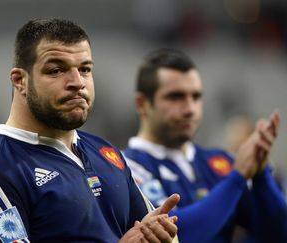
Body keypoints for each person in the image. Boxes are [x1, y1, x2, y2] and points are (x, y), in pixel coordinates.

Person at [0, 18, 180, 243]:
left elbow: (159, 235)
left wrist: (163, 237)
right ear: (20, 80)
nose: (77, 82)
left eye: (85, 69)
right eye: (56, 70)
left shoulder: (105, 151)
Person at [122, 48, 287, 243]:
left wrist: (260, 175)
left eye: (196, 96)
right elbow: (178, 236)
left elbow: (278, 233)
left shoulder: (221, 162)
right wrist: (237, 178)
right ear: (142, 104)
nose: (190, 109)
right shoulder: (126, 168)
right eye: (176, 97)